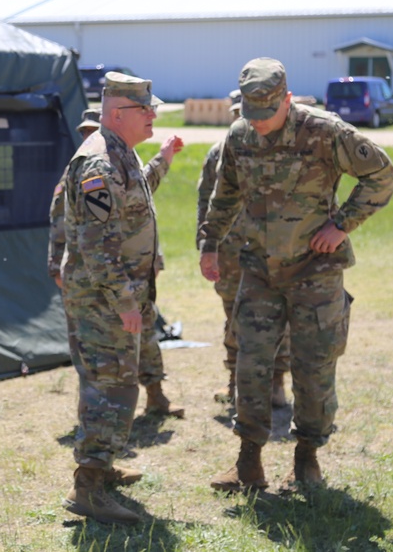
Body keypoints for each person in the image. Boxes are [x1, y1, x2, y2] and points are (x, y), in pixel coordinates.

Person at [198, 58, 393, 494]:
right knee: (250, 364)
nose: (261, 125)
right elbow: (224, 193)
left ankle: (306, 460)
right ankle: (248, 463)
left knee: (314, 366)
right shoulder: (240, 135)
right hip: (258, 271)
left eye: (269, 114)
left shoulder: (326, 132)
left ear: (287, 99)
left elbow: (381, 175)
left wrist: (342, 223)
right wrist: (210, 243)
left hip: (315, 271)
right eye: (253, 115)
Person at [60, 71, 173, 524]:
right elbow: (96, 243)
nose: (154, 116)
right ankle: (88, 487)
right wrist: (126, 301)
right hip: (102, 301)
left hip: (112, 295)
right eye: (147, 110)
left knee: (115, 383)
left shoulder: (121, 155)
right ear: (118, 113)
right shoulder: (99, 164)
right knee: (110, 386)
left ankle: (100, 468)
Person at [49, 106, 186, 419]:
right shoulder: (91, 169)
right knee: (106, 367)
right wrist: (55, 264)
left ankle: (153, 398)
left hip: (132, 277)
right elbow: (64, 225)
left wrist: (163, 160)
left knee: (145, 339)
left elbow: (139, 194)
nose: (89, 136)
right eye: (85, 131)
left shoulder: (123, 162)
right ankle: (98, 446)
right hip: (107, 281)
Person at [196, 89, 291, 408]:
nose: (242, 118)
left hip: (269, 250)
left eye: (246, 112)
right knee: (235, 317)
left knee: (277, 315)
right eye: (237, 112)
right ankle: (237, 383)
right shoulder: (219, 152)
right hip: (230, 252)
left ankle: (275, 383)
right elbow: (205, 200)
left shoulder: (278, 151)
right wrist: (205, 244)